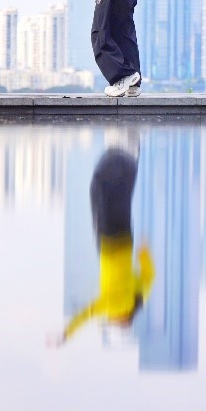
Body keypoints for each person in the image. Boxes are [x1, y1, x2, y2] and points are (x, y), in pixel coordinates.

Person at [50, 130, 155, 346]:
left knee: (118, 199)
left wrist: (144, 252)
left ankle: (129, 152)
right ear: (123, 320)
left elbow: (149, 275)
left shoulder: (139, 298)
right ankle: (122, 150)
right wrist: (65, 334)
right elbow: (85, 315)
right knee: (100, 188)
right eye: (114, 322)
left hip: (124, 240)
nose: (110, 319)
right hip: (108, 242)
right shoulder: (114, 306)